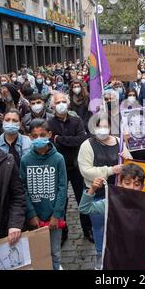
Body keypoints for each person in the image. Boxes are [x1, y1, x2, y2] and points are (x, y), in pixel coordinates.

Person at [78, 113, 132, 269]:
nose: (102, 129)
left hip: (118, 193)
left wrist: (127, 157)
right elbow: (86, 170)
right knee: (99, 226)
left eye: (105, 126)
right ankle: (100, 255)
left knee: (117, 226)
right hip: (97, 193)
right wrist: (110, 170)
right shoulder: (87, 145)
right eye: (99, 126)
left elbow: (128, 163)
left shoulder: (119, 142)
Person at [20, 119, 67, 270]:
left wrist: (57, 214)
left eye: (42, 135)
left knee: (55, 252)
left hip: (54, 215)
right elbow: (23, 188)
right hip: (35, 216)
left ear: (49, 134)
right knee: (38, 252)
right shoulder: (25, 160)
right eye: (34, 136)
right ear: (29, 137)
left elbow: (62, 187)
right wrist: (32, 214)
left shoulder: (58, 158)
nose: (38, 138)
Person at [48, 92, 93, 243]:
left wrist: (59, 139)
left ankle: (87, 229)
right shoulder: (49, 124)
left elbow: (82, 139)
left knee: (83, 198)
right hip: (59, 168)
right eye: (57, 102)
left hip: (77, 166)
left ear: (67, 104)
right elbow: (50, 144)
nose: (61, 104)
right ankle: (63, 230)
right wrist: (65, 141)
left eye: (63, 101)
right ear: (53, 106)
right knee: (61, 201)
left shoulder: (76, 121)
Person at [78, 163, 145, 216]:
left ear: (142, 186)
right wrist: (92, 189)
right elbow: (84, 208)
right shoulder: (111, 203)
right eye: (127, 183)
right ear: (120, 184)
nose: (131, 187)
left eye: (136, 184)